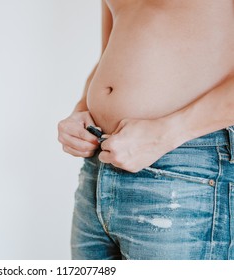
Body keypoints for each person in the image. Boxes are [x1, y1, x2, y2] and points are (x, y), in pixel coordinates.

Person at [57, 0, 234, 260]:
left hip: (185, 171)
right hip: (98, 167)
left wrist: (167, 134)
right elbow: (113, 49)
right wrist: (81, 109)